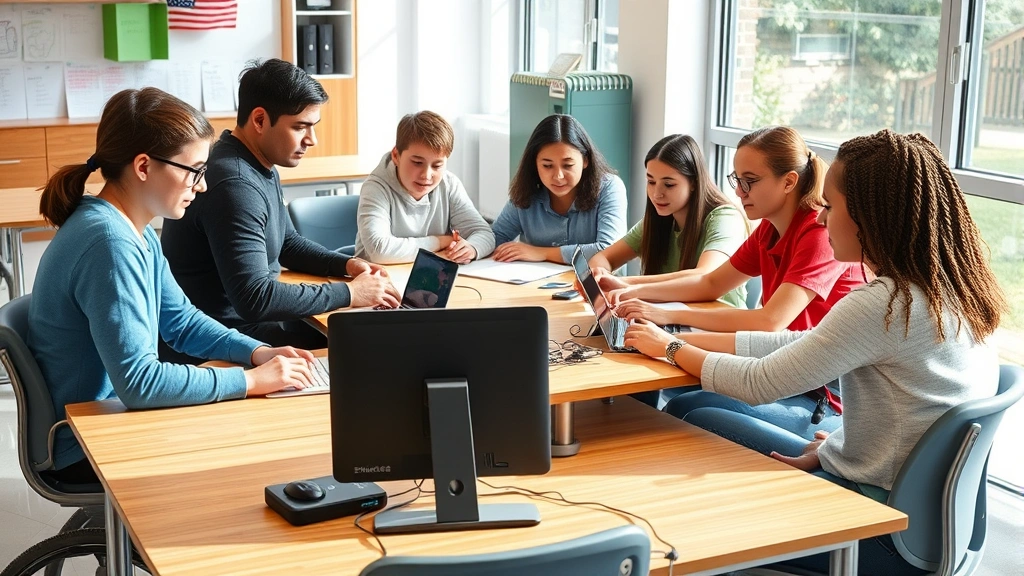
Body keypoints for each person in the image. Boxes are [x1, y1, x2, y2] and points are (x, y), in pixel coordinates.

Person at [624, 129, 1004, 574]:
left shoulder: (884, 303)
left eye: (830, 206)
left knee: (692, 454)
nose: (821, 219)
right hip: (920, 517)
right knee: (700, 417)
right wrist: (681, 339)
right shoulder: (954, 289)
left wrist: (669, 347)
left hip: (880, 529)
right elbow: (803, 344)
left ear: (869, 216)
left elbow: (758, 383)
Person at [28, 88, 316, 484]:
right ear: (143, 166)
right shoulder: (109, 243)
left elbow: (181, 321)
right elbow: (141, 384)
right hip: (86, 440)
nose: (202, 186)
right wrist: (248, 381)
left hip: (108, 417)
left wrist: (256, 353)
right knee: (253, 451)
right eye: (194, 170)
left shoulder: (134, 228)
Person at [610, 126, 863, 437]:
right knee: (679, 405)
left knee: (684, 411)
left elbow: (771, 322)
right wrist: (626, 288)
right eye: (736, 180)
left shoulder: (818, 233)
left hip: (820, 395)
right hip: (779, 368)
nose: (739, 192)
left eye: (749, 182)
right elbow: (711, 283)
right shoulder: (768, 229)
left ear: (788, 182)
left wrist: (669, 316)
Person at [161, 59, 399, 360]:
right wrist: (351, 294)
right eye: (300, 127)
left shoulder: (256, 164)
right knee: (369, 351)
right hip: (220, 343)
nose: (312, 140)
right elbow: (255, 298)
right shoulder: (234, 184)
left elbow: (287, 242)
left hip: (247, 328)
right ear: (259, 120)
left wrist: (347, 266)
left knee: (362, 336)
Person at [588, 134, 748, 309]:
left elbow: (705, 275)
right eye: (651, 182)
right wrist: (600, 274)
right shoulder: (660, 218)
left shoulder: (725, 218)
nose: (657, 194)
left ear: (694, 183)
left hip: (717, 325)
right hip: (670, 320)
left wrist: (626, 284)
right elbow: (603, 258)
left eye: (669, 184)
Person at [354, 110, 495, 265]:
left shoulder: (449, 185)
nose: (427, 175)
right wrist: (439, 242)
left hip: (428, 279)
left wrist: (472, 248)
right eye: (417, 163)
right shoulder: (375, 188)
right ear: (396, 155)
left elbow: (483, 233)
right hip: (377, 282)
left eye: (437, 165)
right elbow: (379, 250)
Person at [491, 114, 627, 263]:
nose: (558, 176)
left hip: (599, 285)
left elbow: (610, 251)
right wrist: (473, 247)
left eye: (568, 165)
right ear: (534, 163)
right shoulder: (527, 190)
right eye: (547, 166)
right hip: (535, 284)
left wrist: (542, 253)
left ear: (585, 160)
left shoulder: (610, 188)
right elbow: (496, 237)